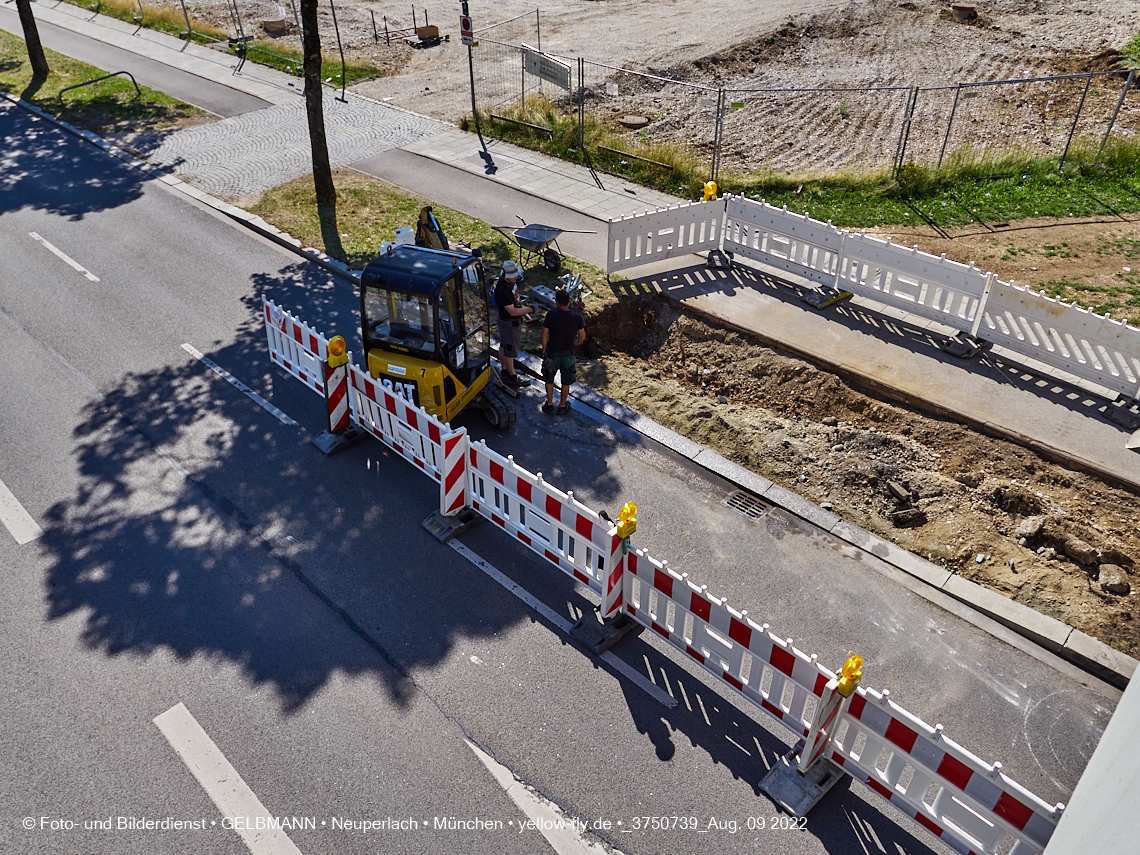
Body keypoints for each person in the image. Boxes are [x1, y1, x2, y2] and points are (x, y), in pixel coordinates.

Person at [540, 288, 586, 415]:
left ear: (556, 302)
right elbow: (582, 335)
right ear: (569, 301)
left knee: (549, 379)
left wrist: (544, 347)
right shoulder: (577, 316)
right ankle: (562, 405)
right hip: (568, 355)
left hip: (553, 354)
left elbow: (544, 333)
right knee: (566, 382)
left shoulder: (551, 314)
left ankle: (549, 404)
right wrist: (577, 343)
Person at [494, 260, 532, 387]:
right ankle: (512, 376)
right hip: (509, 323)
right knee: (509, 349)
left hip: (506, 321)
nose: (516, 277)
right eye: (514, 276)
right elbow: (512, 311)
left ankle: (505, 370)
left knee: (504, 346)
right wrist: (531, 309)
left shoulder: (509, 284)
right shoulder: (502, 289)